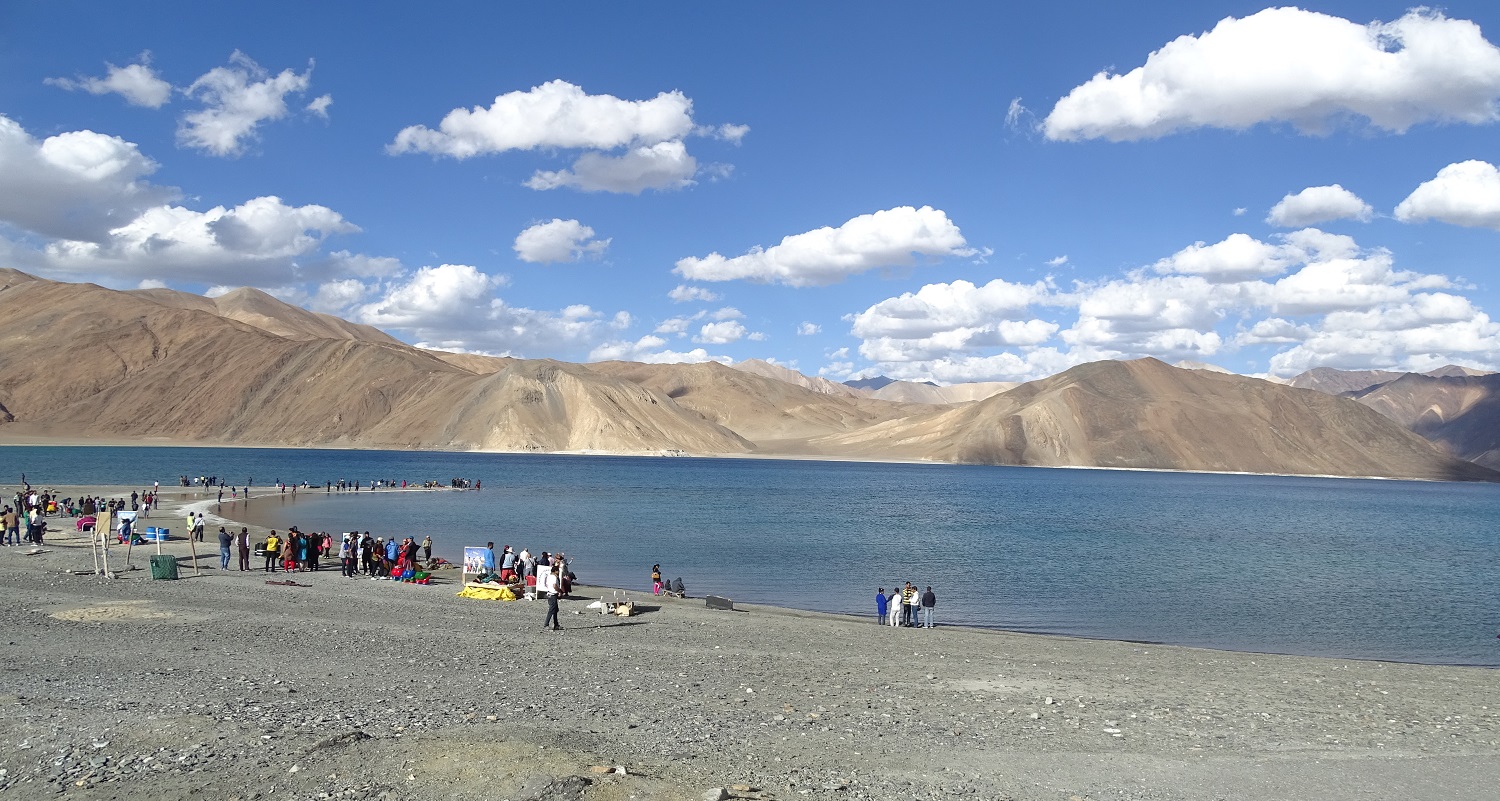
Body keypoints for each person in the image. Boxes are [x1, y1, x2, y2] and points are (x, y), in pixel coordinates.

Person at [541, 565, 562, 631]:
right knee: (551, 610)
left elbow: (547, 584)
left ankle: (556, 624)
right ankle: (546, 624)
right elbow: (554, 585)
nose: (558, 572)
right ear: (555, 571)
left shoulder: (549, 576)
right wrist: (559, 591)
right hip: (552, 594)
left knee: (555, 610)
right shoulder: (554, 577)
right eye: (557, 571)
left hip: (550, 593)